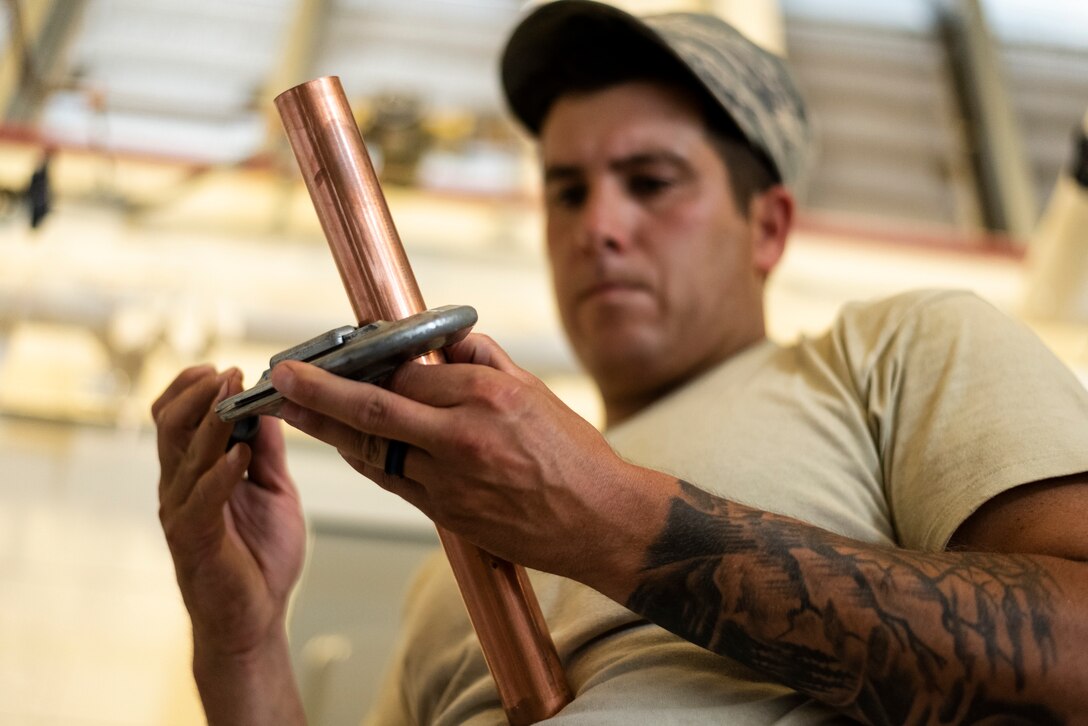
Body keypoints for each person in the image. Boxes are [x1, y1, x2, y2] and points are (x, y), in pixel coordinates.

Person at [152, 1, 1088, 723]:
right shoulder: (451, 561)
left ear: (768, 226)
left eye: (651, 183)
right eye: (566, 191)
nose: (598, 227)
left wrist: (599, 515)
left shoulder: (895, 353)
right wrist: (242, 642)